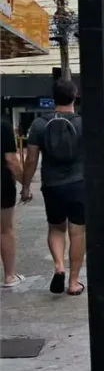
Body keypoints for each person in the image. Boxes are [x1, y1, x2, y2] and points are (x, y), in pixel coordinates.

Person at [21, 79, 86, 296]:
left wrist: (26, 187)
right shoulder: (82, 123)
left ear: (53, 98)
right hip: (78, 184)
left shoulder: (39, 124)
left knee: (56, 228)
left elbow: (31, 160)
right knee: (77, 232)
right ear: (74, 97)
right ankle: (74, 282)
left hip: (52, 185)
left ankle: (59, 267)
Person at [1, 118, 25, 287]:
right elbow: (11, 160)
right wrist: (25, 183)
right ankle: (9, 276)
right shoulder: (3, 127)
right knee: (5, 230)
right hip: (2, 184)